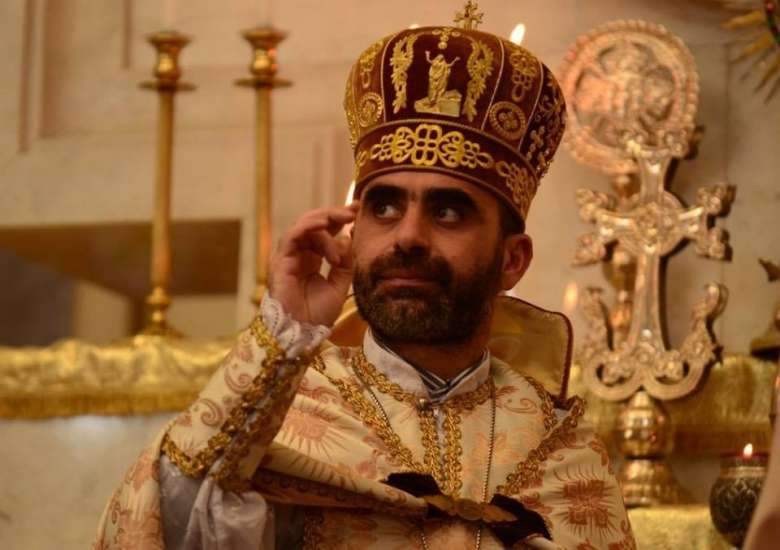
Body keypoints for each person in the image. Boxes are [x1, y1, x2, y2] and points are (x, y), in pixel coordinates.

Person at [95, 3, 633, 548]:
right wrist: (282, 336)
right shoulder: (280, 411)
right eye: (385, 207)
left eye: (448, 211)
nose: (408, 236)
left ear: (512, 260)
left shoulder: (559, 447)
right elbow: (167, 523)